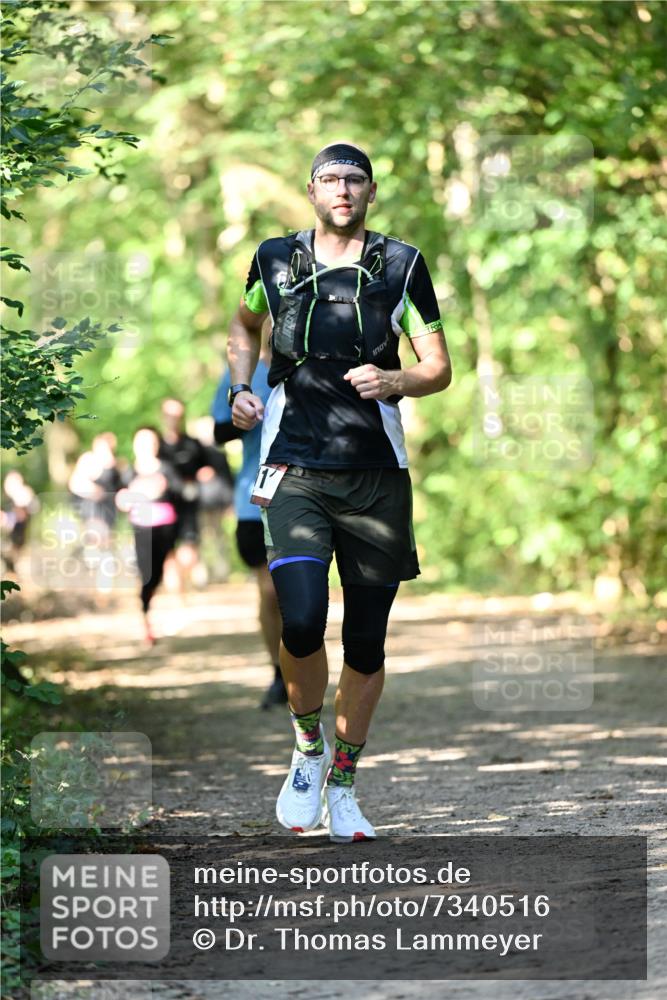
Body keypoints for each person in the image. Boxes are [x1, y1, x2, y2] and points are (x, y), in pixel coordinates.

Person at [226, 142, 452, 842]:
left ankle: (345, 781)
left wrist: (394, 380)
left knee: (365, 640)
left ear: (372, 191)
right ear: (311, 190)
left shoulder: (402, 265)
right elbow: (243, 325)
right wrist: (241, 386)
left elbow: (437, 366)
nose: (343, 190)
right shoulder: (273, 259)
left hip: (376, 476)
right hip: (292, 468)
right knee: (298, 620)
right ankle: (305, 746)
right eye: (330, 179)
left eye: (354, 180)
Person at [212, 340, 286, 710]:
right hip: (253, 497)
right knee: (271, 592)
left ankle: (302, 671)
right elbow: (218, 432)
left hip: (309, 493)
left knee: (301, 591)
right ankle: (279, 672)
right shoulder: (242, 372)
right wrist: (243, 414)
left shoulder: (315, 362)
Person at [116, 427, 182, 645]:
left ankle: (173, 613)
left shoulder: (166, 468)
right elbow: (119, 499)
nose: (146, 446)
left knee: (161, 572)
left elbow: (179, 492)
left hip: (165, 526)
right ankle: (146, 620)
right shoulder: (128, 471)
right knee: (147, 575)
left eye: (150, 441)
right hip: (141, 527)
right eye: (141, 441)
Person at [158, 398, 217, 591]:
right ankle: (177, 597)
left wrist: (204, 475)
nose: (173, 419)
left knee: (188, 553)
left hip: (189, 505)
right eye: (169, 415)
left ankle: (184, 584)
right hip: (163, 506)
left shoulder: (193, 444)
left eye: (178, 415)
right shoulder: (156, 445)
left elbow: (209, 467)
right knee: (167, 553)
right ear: (162, 416)